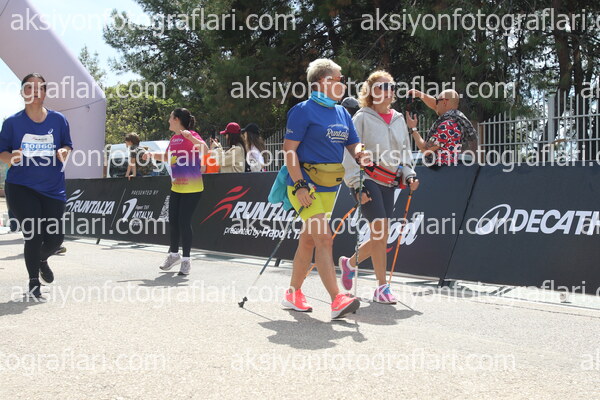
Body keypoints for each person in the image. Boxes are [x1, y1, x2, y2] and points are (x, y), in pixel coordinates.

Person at [281, 58, 368, 319]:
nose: (344, 84)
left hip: (330, 186)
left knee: (308, 240)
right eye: (340, 79)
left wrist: (361, 153)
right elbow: (289, 151)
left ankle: (292, 293)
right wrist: (299, 185)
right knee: (324, 238)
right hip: (304, 185)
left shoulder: (342, 113)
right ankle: (337, 299)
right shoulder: (302, 111)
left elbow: (353, 144)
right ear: (323, 81)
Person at [339, 70, 419, 304]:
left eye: (391, 86)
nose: (388, 91)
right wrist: (356, 185)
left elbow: (405, 152)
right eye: (383, 87)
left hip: (389, 182)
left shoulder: (398, 119)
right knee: (381, 232)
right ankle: (382, 288)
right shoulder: (361, 117)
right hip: (367, 179)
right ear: (371, 91)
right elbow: (349, 152)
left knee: (380, 236)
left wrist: (410, 175)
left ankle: (349, 263)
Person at [0, 73, 73, 298]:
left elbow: (67, 145)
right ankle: (33, 282)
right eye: (29, 88)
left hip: (53, 188)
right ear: (22, 92)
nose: (34, 92)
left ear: (45, 93)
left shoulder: (58, 120)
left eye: (39, 88)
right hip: (21, 186)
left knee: (55, 239)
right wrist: (11, 157)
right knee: (33, 233)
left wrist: (64, 152)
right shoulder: (12, 122)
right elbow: (2, 153)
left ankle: (41, 260)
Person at [143, 108, 207, 275]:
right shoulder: (173, 139)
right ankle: (173, 255)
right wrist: (150, 154)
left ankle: (186, 260)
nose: (168, 121)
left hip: (192, 188)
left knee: (184, 223)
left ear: (177, 119)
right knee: (173, 222)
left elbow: (205, 150)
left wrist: (191, 137)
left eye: (170, 118)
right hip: (176, 187)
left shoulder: (191, 135)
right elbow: (166, 157)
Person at [407, 89, 477, 166]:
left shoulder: (447, 125)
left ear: (444, 102)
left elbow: (426, 150)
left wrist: (413, 129)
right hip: (447, 169)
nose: (435, 104)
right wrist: (420, 95)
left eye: (437, 101)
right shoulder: (455, 119)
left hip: (441, 170)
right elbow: (435, 106)